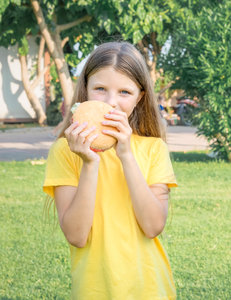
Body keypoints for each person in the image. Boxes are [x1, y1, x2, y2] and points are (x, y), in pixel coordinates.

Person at [43, 42, 177, 299]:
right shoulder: (65, 151)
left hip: (150, 289)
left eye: (124, 92)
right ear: (86, 91)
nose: (111, 103)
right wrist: (90, 162)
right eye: (100, 89)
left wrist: (125, 155)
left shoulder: (153, 149)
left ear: (139, 97)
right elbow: (76, 235)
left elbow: (152, 226)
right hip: (93, 291)